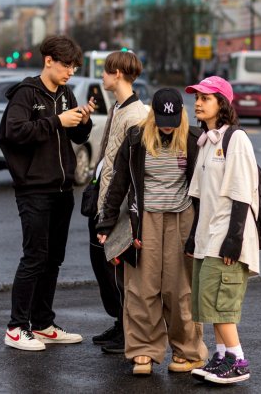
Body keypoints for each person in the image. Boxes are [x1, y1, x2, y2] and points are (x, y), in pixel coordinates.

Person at [96, 88, 208, 376]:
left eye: (172, 118)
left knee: (180, 289)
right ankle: (143, 351)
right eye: (161, 119)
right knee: (141, 288)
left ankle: (188, 351)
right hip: (144, 220)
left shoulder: (195, 139)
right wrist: (106, 222)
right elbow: (118, 182)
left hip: (182, 219)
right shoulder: (136, 138)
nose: (167, 124)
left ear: (181, 115)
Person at [0, 35, 95, 351]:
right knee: (34, 257)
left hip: (63, 189)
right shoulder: (26, 94)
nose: (70, 72)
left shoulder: (65, 94)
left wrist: (83, 121)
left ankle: (42, 324)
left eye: (74, 66)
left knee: (53, 259)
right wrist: (55, 121)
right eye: (66, 65)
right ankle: (16, 327)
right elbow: (13, 133)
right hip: (34, 189)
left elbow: (75, 136)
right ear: (48, 60)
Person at [184, 76, 259, 385]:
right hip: (207, 237)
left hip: (228, 238)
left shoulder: (236, 139)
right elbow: (201, 197)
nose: (198, 102)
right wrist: (192, 237)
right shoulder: (207, 140)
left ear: (222, 104)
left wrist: (233, 240)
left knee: (221, 303)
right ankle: (220, 356)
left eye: (206, 97)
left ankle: (238, 360)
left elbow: (242, 193)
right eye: (197, 97)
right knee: (207, 303)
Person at [89, 50, 147, 354]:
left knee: (119, 271)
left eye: (106, 71)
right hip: (106, 203)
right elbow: (109, 159)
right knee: (106, 268)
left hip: (122, 210)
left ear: (119, 74)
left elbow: (133, 171)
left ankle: (128, 332)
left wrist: (116, 212)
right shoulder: (119, 107)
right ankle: (120, 324)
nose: (103, 76)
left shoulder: (137, 115)